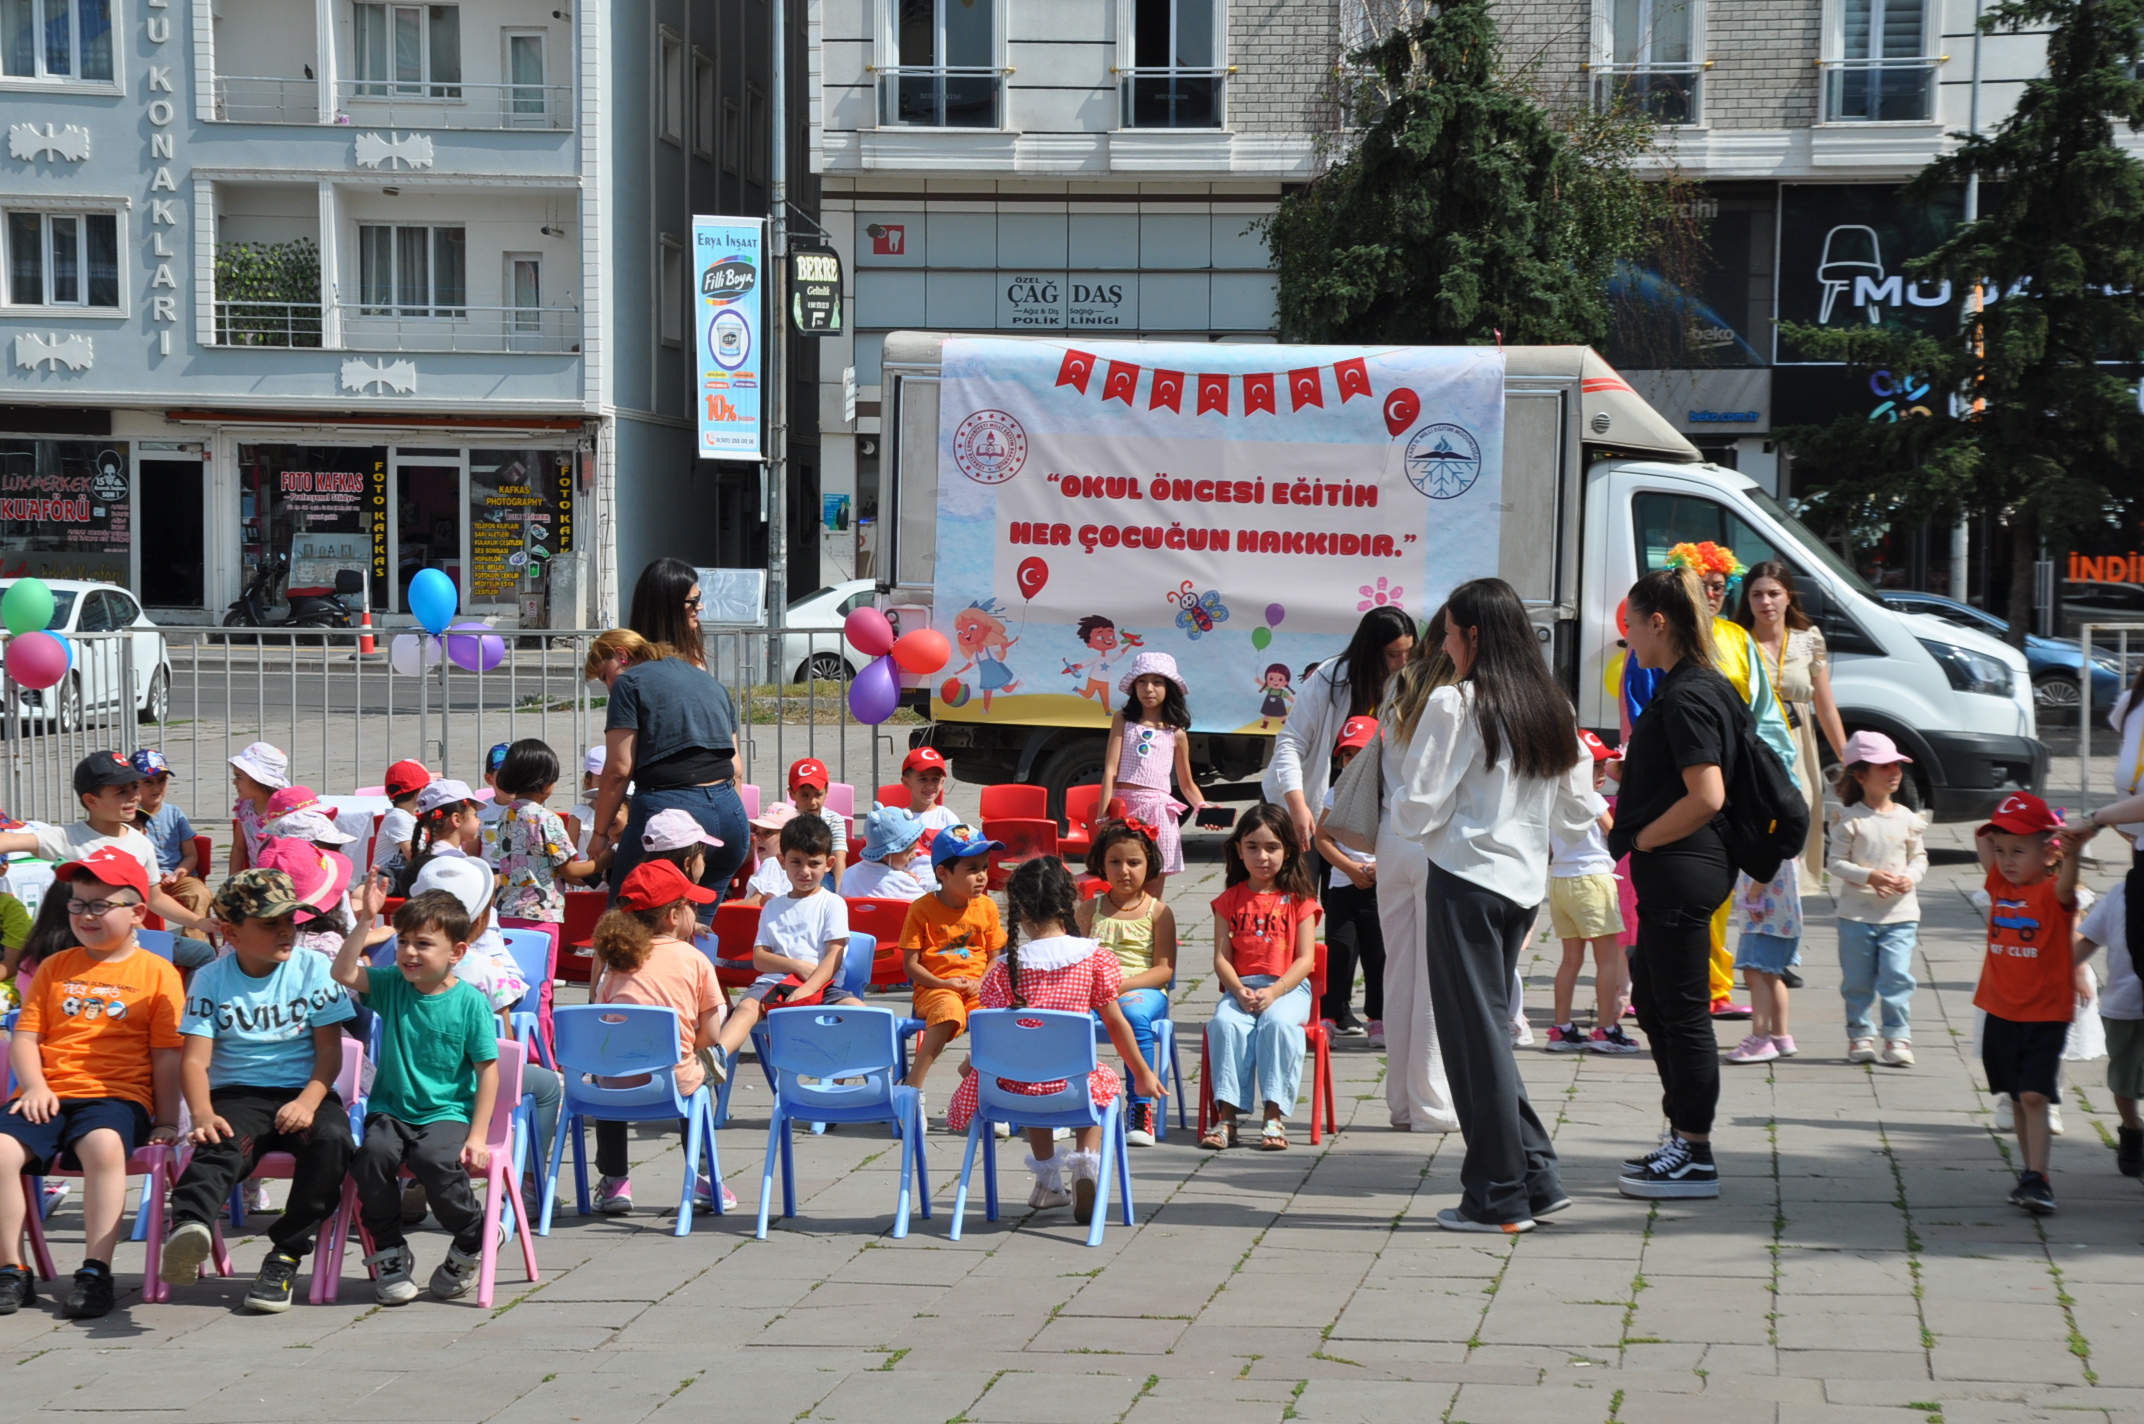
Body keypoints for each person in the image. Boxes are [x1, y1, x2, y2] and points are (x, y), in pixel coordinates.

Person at [1389, 578, 1600, 1231]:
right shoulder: (1552, 704)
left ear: (1473, 634)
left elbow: (1417, 802)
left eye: (1449, 631)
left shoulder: (1456, 703)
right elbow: (1577, 809)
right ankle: (1534, 1175)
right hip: (1521, 884)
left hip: (1466, 877)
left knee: (1472, 1039)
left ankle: (1499, 1193)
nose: (1444, 644)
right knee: (1485, 1035)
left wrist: (1435, 829)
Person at [158, 867, 358, 1312]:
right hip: (239, 1094)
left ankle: (285, 1255)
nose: (286, 930)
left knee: (332, 1143)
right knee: (220, 1144)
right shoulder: (212, 977)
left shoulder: (315, 969)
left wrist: (308, 1101)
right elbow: (194, 1059)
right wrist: (203, 1113)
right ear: (231, 933)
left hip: (306, 1092)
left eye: (291, 920)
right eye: (270, 923)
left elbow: (330, 1053)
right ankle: (189, 1226)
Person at [1608, 566, 1747, 1202]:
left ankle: (1694, 1151)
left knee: (1682, 1015)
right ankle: (1681, 1138)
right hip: (1683, 867)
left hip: (1684, 866)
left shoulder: (1689, 692)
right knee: (1658, 1008)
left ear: (1657, 623)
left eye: (1632, 626)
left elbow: (1708, 795)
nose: (1628, 638)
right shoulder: (1690, 685)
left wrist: (1642, 839)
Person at [0, 847, 184, 1318]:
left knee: (103, 1147)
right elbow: (26, 1037)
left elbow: (167, 1055)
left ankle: (95, 1271)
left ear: (138, 912)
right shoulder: (55, 967)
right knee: (1, 1150)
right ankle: (10, 1268)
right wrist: (35, 1085)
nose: (86, 914)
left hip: (117, 1097)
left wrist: (166, 1119)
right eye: (78, 904)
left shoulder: (158, 973)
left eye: (100, 905)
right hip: (47, 1094)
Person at [944, 857, 1163, 1222]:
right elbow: (1116, 1021)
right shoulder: (1095, 958)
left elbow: (992, 1036)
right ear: (1070, 904)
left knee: (1030, 1070)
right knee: (1099, 1080)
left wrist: (967, 1067)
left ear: (1019, 910)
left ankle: (1048, 1180)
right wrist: (1141, 1073)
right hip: (1072, 1088)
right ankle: (1086, 1166)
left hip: (1009, 1092)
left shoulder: (1003, 969)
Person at [331, 878, 502, 1305]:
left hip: (447, 1113)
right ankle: (389, 1251)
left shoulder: (470, 1003)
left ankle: (472, 1236)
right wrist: (367, 919)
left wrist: (478, 1135)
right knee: (370, 1158)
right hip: (391, 1110)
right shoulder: (391, 985)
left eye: (423, 944)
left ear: (456, 952)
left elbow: (489, 1072)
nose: (409, 952)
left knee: (432, 1160)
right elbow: (343, 972)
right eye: (404, 941)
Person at [407, 856, 566, 1218]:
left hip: (414, 1080)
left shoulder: (398, 962)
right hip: (470, 1084)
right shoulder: (486, 970)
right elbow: (503, 1046)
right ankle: (528, 1184)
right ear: (480, 921)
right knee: (547, 1086)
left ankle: (408, 1180)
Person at [586, 860, 730, 1215]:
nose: (696, 910)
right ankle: (706, 1179)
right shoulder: (694, 959)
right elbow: (711, 1033)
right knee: (697, 1076)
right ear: (672, 915)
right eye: (691, 904)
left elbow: (599, 1017)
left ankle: (614, 1180)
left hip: (617, 1084)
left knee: (608, 1075)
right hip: (671, 1082)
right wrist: (686, 1049)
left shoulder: (615, 962)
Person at [1971, 793, 2089, 1215]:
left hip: (2045, 1013)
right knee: (2018, 1098)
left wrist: (2068, 852)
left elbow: (2068, 884)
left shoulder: (2053, 895)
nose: (2006, 860)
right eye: (2001, 851)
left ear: (2048, 851)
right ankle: (2029, 1173)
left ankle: (2039, 1178)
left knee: (2036, 1095)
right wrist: (2001, 827)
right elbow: (1980, 838)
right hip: (2001, 1010)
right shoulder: (2000, 885)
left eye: (2018, 851)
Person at [1373, 613, 1461, 1131]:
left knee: (1399, 971)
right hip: (1432, 838)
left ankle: (1402, 1103)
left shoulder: (1398, 686)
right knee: (1433, 977)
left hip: (1390, 836)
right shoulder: (1452, 695)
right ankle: (1430, 1103)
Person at [585, 627, 749, 902]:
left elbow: (618, 770)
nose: (609, 686)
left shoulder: (629, 683)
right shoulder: (709, 682)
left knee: (626, 920)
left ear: (621, 655)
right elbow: (737, 768)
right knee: (698, 925)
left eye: (605, 675)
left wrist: (599, 834)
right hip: (730, 816)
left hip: (671, 811)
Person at [0, 752, 216, 949]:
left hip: (128, 948)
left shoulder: (141, 844)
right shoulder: (67, 837)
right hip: (80, 948)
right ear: (91, 800)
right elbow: (9, 840)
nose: (134, 797)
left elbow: (155, 898)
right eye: (122, 791)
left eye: (134, 787)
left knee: (202, 952)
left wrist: (199, 921)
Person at [1202, 804, 1321, 1152]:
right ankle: (1227, 1117)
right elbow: (1222, 958)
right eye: (1252, 846)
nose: (1262, 856)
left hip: (1288, 989)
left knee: (1278, 1026)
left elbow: (1305, 959)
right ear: (1238, 849)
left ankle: (1274, 1115)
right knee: (1224, 1025)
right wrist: (1238, 990)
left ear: (1287, 849)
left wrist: (1276, 990)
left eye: (1272, 847)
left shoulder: (1301, 901)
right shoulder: (1228, 901)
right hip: (1242, 990)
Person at [1265, 606, 1417, 852]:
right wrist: (1297, 806)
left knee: (1347, 887)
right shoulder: (1329, 678)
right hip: (1313, 801)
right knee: (1302, 886)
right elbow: (1291, 742)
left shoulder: (1408, 685)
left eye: (1409, 653)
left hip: (1369, 810)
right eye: (1392, 655)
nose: (1402, 664)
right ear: (1370, 653)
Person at [713, 812, 862, 1060]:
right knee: (747, 1006)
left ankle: (843, 1075)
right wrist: (796, 966)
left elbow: (835, 955)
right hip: (773, 983)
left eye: (813, 863)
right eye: (796, 862)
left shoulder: (832, 903)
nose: (804, 871)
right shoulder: (772, 906)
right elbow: (760, 958)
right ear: (782, 861)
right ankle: (717, 1055)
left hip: (823, 986)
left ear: (829, 863)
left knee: (859, 1011)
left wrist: (809, 986)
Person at [1737, 561, 1847, 885]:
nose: (1765, 602)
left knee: (1799, 814)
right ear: (1747, 599)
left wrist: (1847, 760)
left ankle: (1789, 900)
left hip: (1799, 746)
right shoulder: (1736, 640)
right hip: (1754, 746)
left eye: (1774, 593)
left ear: (1788, 597)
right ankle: (1752, 893)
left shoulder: (1808, 639)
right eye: (1757, 594)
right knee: (1757, 820)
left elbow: (1825, 708)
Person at [1828, 731, 1928, 1067]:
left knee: (1896, 977)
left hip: (1900, 916)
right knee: (1857, 980)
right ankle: (1860, 1036)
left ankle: (1897, 1036)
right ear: (1860, 775)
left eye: (1897, 764)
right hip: (1856, 917)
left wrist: (1909, 878)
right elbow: (1835, 863)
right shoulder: (1849, 820)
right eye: (1884, 766)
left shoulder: (1908, 819)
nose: (1895, 771)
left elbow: (1919, 858)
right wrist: (1868, 876)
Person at [1076, 817, 1178, 1147]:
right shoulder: (1089, 910)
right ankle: (1072, 1099)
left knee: (1134, 1017)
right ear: (1100, 865)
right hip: (1097, 995)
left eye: (1134, 862)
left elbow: (1164, 969)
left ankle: (1139, 1107)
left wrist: (1120, 986)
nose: (1124, 871)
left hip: (1143, 992)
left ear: (1149, 865)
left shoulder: (1159, 912)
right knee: (1070, 1021)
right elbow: (1077, 958)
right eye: (1114, 862)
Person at [899, 827, 1007, 1116]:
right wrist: (941, 981)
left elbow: (996, 957)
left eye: (984, 867)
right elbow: (910, 965)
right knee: (948, 1011)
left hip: (977, 987)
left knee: (1002, 1018)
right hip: (935, 987)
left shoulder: (987, 907)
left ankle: (985, 1081)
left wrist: (980, 982)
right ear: (943, 873)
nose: (982, 876)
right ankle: (912, 1087)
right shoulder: (920, 909)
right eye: (972, 869)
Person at [1543, 732, 1639, 1055]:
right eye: (1595, 765)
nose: (1602, 772)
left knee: (1570, 960)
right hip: (1594, 882)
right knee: (1608, 959)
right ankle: (1606, 1029)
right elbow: (1615, 833)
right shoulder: (1593, 800)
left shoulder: (1552, 797)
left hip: (1560, 882)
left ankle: (1562, 1028)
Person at [1096, 652, 1210, 882]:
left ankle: (1152, 919)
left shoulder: (1176, 732)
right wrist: (1102, 816)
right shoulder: (1123, 719)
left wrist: (1203, 808)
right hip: (1123, 809)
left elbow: (1186, 783)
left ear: (1169, 688)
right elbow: (1110, 770)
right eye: (1142, 681)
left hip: (1159, 811)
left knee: (1155, 880)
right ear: (1134, 687)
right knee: (1122, 878)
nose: (1149, 688)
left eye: (1157, 682)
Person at [1313, 715, 1384, 1040]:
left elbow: (1405, 838)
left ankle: (1379, 1018)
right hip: (1343, 885)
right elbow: (1322, 838)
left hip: (1380, 888)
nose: (1352, 762)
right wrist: (1349, 868)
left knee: (1379, 956)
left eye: (1360, 754)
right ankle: (1330, 1016)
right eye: (1347, 755)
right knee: (1338, 952)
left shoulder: (1389, 794)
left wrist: (1379, 868)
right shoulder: (1336, 793)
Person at [493, 739, 604, 930]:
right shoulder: (546, 819)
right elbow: (570, 871)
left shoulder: (505, 815)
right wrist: (605, 861)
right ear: (545, 783)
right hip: (541, 914)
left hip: (506, 912)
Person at [2075, 876, 2144, 1178]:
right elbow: (2090, 936)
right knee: (2123, 1078)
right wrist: (2063, 969)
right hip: (2126, 1004)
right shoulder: (2122, 892)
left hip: (2124, 1003)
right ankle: (2132, 1128)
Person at [129, 749, 213, 935]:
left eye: (162, 780)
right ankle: (148, 948)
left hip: (177, 877)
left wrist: (178, 873)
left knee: (200, 893)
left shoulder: (174, 813)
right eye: (148, 782)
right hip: (144, 880)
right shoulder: (129, 816)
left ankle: (193, 948)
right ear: (133, 784)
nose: (156, 787)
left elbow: (191, 855)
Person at [628, 556, 709, 669]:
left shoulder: (691, 650)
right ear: (668, 606)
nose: (700, 607)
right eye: (693, 600)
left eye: (698, 597)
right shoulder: (642, 666)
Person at [844, 804, 931, 901]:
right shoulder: (903, 883)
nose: (914, 855)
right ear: (886, 854)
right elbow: (928, 906)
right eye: (909, 851)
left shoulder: (847, 875)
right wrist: (913, 883)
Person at [229, 740, 290, 872]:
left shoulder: (285, 811)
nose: (234, 782)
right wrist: (231, 883)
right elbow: (239, 848)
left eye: (239, 777)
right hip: (256, 879)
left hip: (284, 879)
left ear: (258, 781)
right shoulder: (245, 807)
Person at [787, 757, 847, 892]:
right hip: (791, 873)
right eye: (805, 795)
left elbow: (839, 858)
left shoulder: (834, 820)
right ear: (791, 794)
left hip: (822, 874)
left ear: (827, 791)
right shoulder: (785, 818)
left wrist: (839, 893)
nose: (812, 802)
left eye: (818, 794)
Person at [375, 759, 431, 878]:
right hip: (388, 875)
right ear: (420, 793)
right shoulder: (398, 817)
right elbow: (413, 856)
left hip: (404, 875)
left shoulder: (410, 817)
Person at [899, 747, 964, 836]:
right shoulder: (898, 820)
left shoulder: (947, 818)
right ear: (906, 782)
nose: (930, 786)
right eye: (923, 779)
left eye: (935, 779)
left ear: (942, 783)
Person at [742, 804, 797, 903]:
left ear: (789, 838)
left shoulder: (772, 862)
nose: (758, 838)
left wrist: (716, 909)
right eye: (757, 832)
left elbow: (757, 903)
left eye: (768, 832)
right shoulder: (791, 867)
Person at [566, 746, 605, 860]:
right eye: (600, 779)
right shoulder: (580, 813)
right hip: (586, 873)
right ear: (588, 783)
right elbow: (570, 850)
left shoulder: (623, 812)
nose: (607, 784)